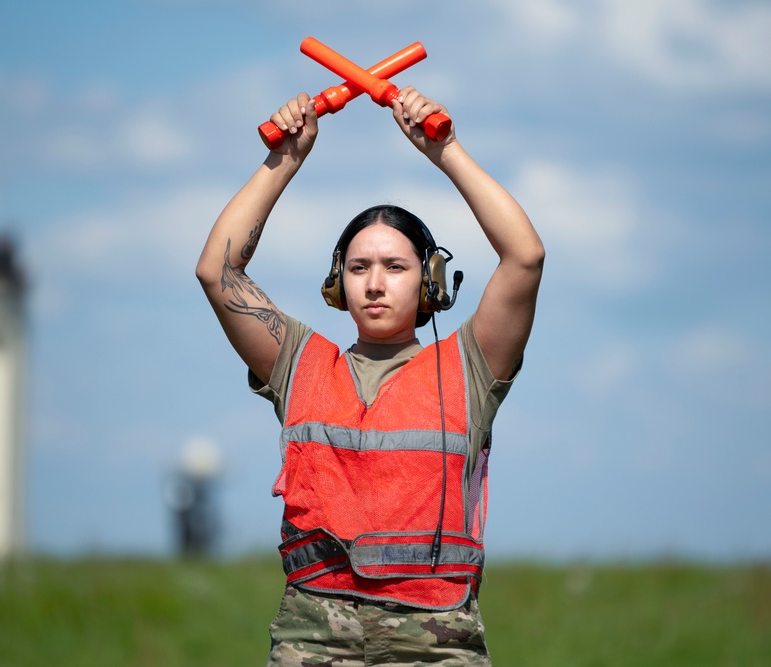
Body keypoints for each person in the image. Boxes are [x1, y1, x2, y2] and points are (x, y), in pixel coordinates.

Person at [196, 87, 544, 666]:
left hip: (436, 640)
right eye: (359, 268)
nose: (375, 283)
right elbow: (218, 270)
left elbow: (525, 257)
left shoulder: (470, 363)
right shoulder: (300, 362)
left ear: (429, 282)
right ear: (338, 282)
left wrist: (446, 149)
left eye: (395, 267)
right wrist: (287, 158)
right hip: (313, 635)